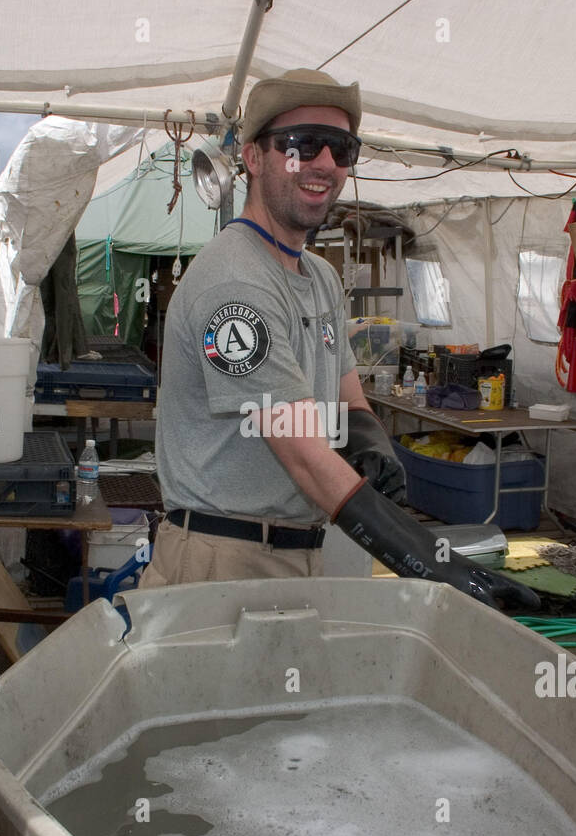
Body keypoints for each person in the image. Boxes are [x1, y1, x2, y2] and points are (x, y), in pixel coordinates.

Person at [142, 68, 538, 613]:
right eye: (301, 145)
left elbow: (348, 397)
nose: (325, 163)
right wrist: (427, 558)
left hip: (299, 550)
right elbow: (305, 457)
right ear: (253, 157)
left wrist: (372, 446)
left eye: (341, 148)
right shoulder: (236, 282)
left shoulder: (321, 277)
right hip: (225, 559)